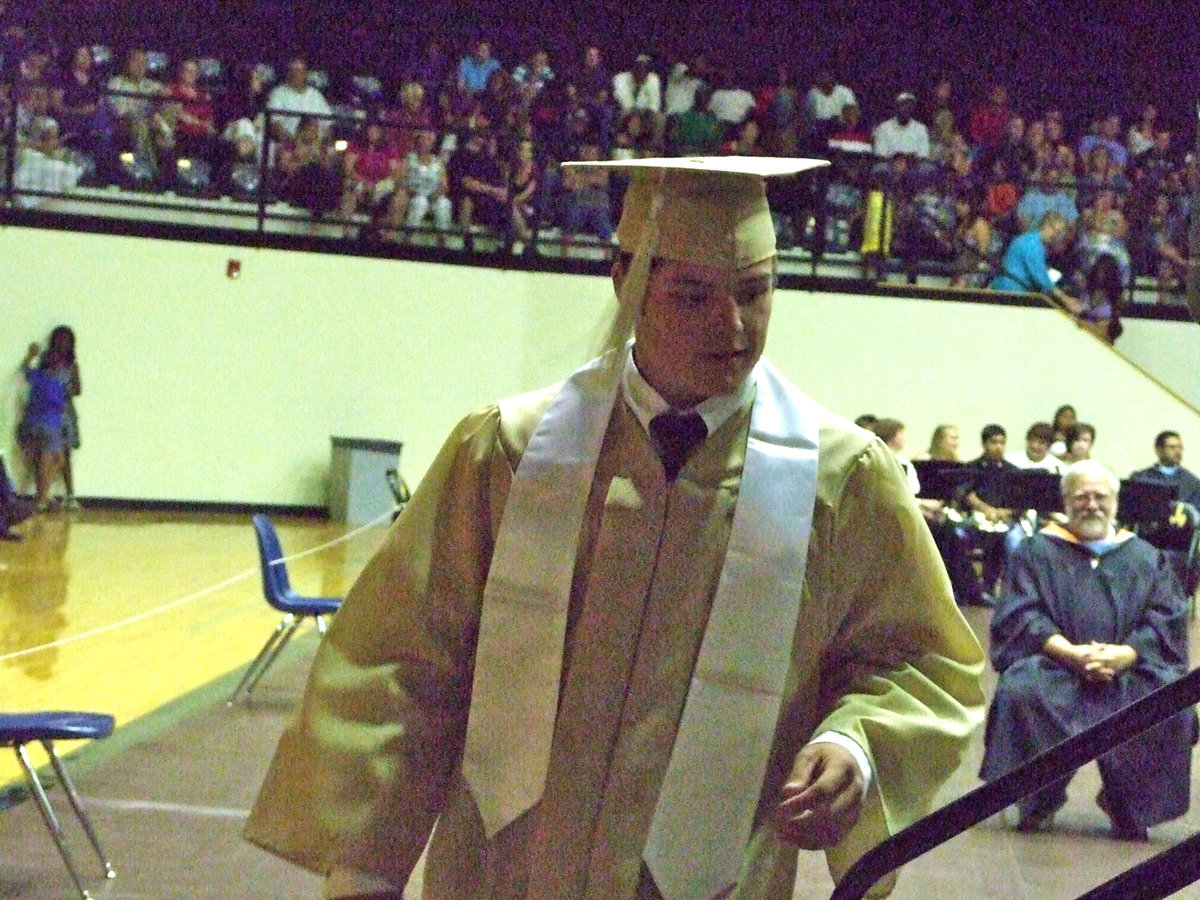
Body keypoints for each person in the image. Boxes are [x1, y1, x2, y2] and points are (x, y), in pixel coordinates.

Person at [244, 156, 985, 899]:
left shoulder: (842, 479)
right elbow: (402, 661)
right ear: (623, 277)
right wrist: (365, 868)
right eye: (693, 295)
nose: (732, 325)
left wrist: (850, 744)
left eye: (754, 294)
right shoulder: (509, 449)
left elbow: (918, 662)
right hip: (505, 871)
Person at [980, 460, 1196, 839]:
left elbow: (1167, 618)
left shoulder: (1145, 556)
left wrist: (1126, 654)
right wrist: (1070, 654)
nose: (1091, 504)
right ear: (1065, 500)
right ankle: (1038, 798)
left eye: (1100, 496)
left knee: (1169, 705)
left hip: (1130, 670)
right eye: (1081, 496)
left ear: (1115, 501)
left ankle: (1128, 804)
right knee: (1022, 689)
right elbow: (1020, 614)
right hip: (1057, 667)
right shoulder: (1035, 551)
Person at [988, 211, 1081, 312]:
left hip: (1018, 291)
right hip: (1011, 292)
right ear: (1046, 225)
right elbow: (1040, 277)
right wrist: (1065, 299)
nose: (1057, 236)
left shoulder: (1033, 240)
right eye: (1056, 232)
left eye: (1060, 233)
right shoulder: (1032, 244)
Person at [17, 341, 67, 512]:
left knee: (42, 463)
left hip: (32, 422)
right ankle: (42, 499)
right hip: (50, 425)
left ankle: (43, 496)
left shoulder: (37, 377)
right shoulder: (56, 383)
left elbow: (24, 369)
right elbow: (60, 406)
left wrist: (30, 355)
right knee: (53, 461)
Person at [1129, 430, 1200, 509]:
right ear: (1159, 450)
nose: (1178, 452)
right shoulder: (1141, 478)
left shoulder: (1192, 482)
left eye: (1180, 447)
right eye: (1172, 447)